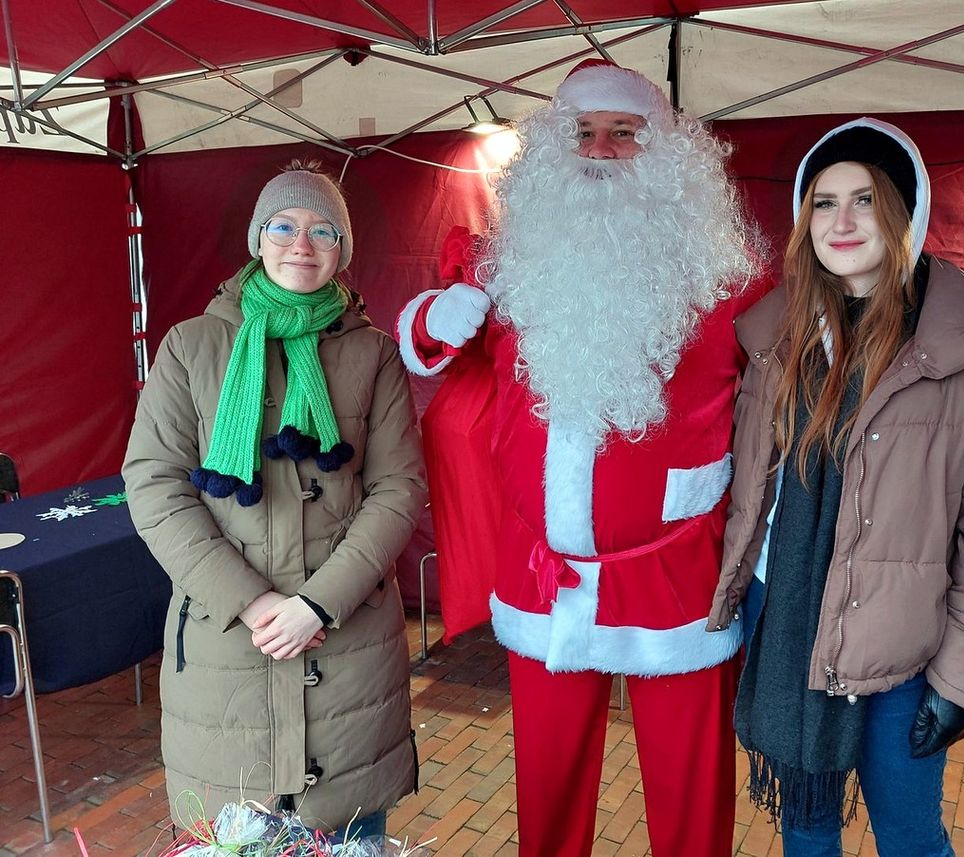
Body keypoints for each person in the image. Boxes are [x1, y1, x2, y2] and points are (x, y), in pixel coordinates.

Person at [397, 60, 765, 857]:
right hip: (546, 577)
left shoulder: (728, 279)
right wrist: (434, 314)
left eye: (623, 134)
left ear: (666, 153)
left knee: (691, 790)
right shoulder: (517, 268)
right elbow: (434, 347)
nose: (599, 151)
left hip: (677, 583)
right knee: (549, 783)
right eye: (583, 133)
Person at [713, 118, 964, 855]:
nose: (841, 221)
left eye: (864, 200)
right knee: (805, 820)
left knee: (909, 836)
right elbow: (749, 490)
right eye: (824, 202)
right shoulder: (774, 335)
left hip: (903, 640)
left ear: (903, 212)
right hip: (787, 618)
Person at [123, 160, 427, 837]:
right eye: (285, 226)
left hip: (346, 647)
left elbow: (397, 487)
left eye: (324, 230)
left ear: (343, 250)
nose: (303, 243)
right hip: (227, 647)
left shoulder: (373, 355)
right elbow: (153, 484)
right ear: (259, 237)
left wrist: (318, 602)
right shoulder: (190, 346)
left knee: (352, 837)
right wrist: (256, 602)